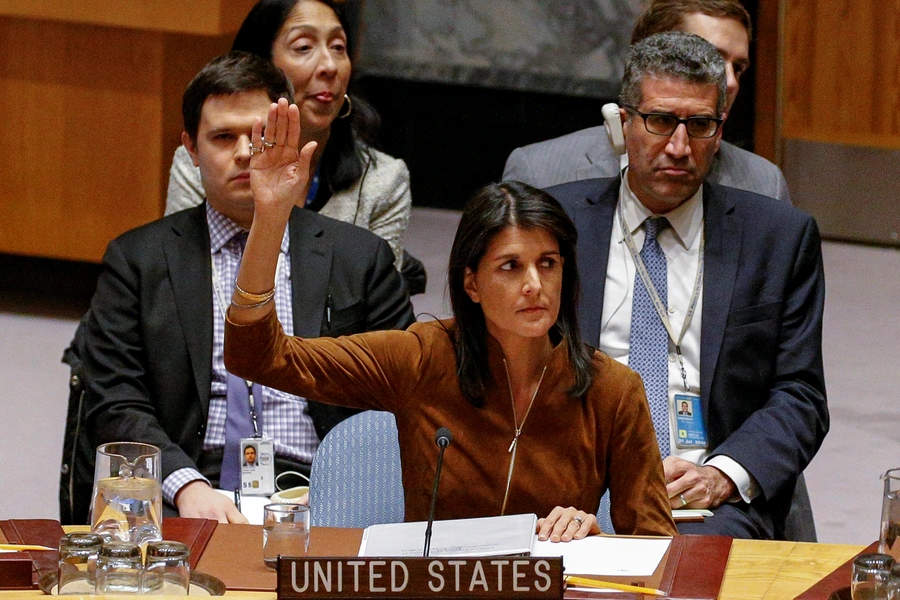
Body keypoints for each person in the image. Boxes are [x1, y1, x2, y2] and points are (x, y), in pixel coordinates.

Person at [222, 98, 676, 539]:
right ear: (472, 284)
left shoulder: (613, 390)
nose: (535, 284)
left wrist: (595, 534)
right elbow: (258, 356)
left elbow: (657, 546)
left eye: (548, 264)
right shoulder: (421, 356)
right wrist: (271, 217)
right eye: (510, 267)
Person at [79, 52, 415, 523]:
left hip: (323, 488)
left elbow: (404, 394)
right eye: (222, 137)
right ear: (191, 150)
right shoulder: (138, 260)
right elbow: (114, 397)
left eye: (258, 135)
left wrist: (344, 487)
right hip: (192, 483)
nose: (243, 152)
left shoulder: (360, 258)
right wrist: (185, 486)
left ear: (287, 138)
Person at [547, 32, 827, 539]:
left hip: (703, 505)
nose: (679, 146)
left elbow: (800, 394)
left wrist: (722, 476)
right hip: (566, 493)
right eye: (659, 121)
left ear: (719, 133)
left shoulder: (778, 238)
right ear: (623, 122)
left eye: (699, 125)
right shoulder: (555, 223)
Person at [165, 0, 425, 292]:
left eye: (338, 47)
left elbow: (375, 310)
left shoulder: (383, 181)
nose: (329, 66)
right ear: (258, 65)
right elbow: (183, 294)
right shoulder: (204, 165)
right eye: (304, 47)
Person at [503, 0, 790, 204]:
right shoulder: (541, 175)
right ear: (650, 58)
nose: (729, 82)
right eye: (708, 59)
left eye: (738, 68)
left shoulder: (763, 186)